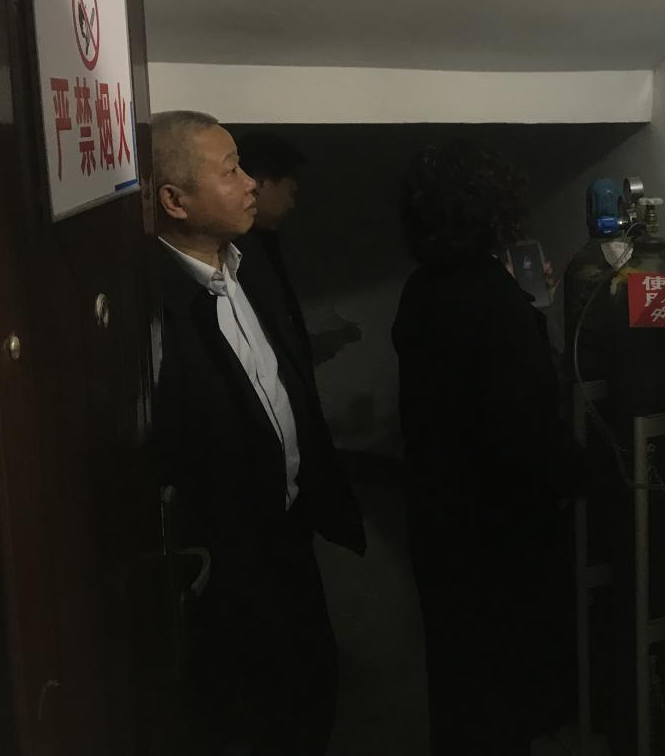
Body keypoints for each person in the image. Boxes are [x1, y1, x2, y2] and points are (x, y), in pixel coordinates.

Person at [151, 110, 365, 755]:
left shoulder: (250, 263)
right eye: (230, 171)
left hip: (288, 526)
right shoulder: (155, 309)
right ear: (175, 201)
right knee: (249, 710)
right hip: (229, 558)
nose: (250, 183)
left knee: (312, 685)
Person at [392, 139, 586, 756]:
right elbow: (523, 429)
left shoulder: (421, 288)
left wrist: (519, 303)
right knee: (502, 686)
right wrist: (585, 474)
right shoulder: (495, 303)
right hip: (496, 529)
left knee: (457, 676)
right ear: (488, 208)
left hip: (438, 515)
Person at [233, 131, 309, 347]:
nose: (292, 204)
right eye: (291, 192)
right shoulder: (239, 250)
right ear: (260, 183)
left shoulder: (263, 241)